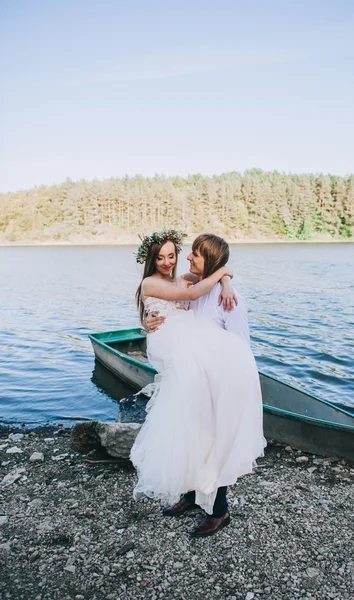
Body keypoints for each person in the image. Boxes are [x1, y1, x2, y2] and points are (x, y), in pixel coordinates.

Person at [130, 229, 266, 537]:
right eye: (162, 257)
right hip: (191, 372)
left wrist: (226, 280)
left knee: (216, 441)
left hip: (224, 379)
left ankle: (220, 511)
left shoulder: (227, 299)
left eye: (176, 255)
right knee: (192, 434)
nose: (173, 260)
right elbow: (176, 305)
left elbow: (239, 347)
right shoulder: (189, 285)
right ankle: (191, 496)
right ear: (151, 259)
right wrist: (146, 322)